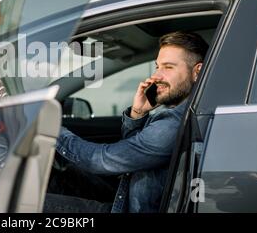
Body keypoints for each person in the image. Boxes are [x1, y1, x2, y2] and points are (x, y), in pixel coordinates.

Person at [44, 31, 209, 213]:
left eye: (168, 67)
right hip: (130, 201)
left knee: (24, 205)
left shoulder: (174, 123)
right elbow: (131, 162)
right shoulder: (181, 115)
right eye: (157, 67)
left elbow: (100, 160)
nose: (156, 76)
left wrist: (49, 129)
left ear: (197, 72)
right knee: (63, 176)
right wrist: (137, 113)